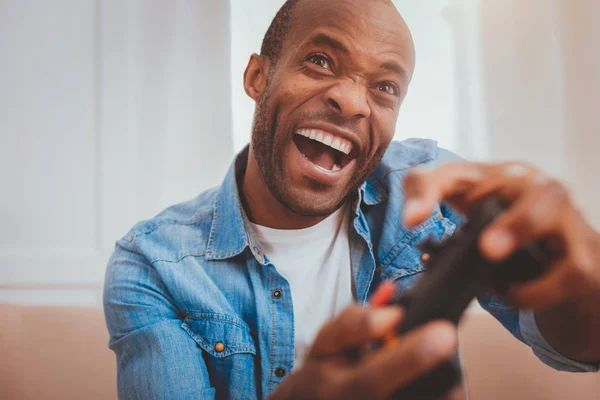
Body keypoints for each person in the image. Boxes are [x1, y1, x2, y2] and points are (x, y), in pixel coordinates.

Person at [103, 0, 600, 398]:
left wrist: (583, 282)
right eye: (320, 61)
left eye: (384, 86)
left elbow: (580, 346)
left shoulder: (433, 190)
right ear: (258, 77)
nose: (353, 101)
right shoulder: (152, 262)